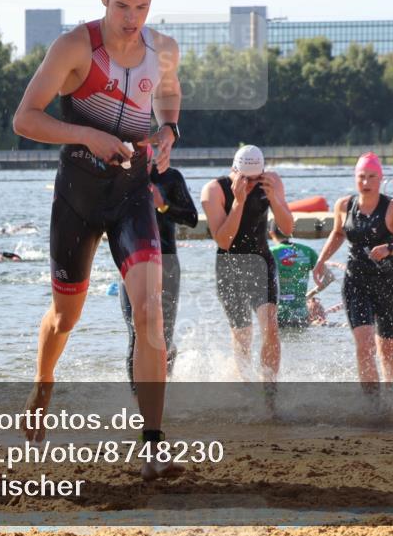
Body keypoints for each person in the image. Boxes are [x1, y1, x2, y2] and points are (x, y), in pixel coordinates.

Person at [12, 0, 181, 479]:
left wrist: (169, 130)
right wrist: (87, 133)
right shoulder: (73, 48)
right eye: (122, 6)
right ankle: (43, 382)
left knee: (150, 313)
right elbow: (25, 119)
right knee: (66, 317)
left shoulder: (164, 51)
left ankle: (152, 445)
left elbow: (170, 96)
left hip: (132, 193)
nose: (132, 18)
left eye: (142, 8)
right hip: (78, 196)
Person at [312, 152, 393, 386]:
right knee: (364, 346)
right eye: (361, 177)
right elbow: (338, 233)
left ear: (380, 178)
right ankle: (372, 403)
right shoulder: (344, 205)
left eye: (372, 177)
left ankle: (391, 395)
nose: (366, 182)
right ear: (355, 178)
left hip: (388, 284)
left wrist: (390, 248)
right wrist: (321, 261)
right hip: (356, 282)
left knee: (388, 349)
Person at [201, 145, 293, 384]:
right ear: (235, 170)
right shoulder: (213, 191)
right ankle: (245, 386)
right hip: (229, 266)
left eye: (256, 179)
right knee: (243, 336)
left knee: (271, 328)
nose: (252, 184)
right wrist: (238, 203)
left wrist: (273, 198)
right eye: (246, 179)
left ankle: (269, 391)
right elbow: (223, 240)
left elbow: (288, 228)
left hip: (261, 262)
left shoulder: (270, 181)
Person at [121, 165, 197, 387]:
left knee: (163, 336)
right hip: (132, 263)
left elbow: (191, 218)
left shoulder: (170, 177)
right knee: (136, 334)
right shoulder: (121, 175)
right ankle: (138, 401)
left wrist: (163, 206)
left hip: (166, 264)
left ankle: (162, 394)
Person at [268, 223, 320, 330]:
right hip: (301, 315)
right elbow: (328, 278)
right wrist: (309, 295)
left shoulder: (270, 253)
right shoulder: (308, 251)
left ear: (271, 233)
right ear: (290, 231)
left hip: (277, 315)